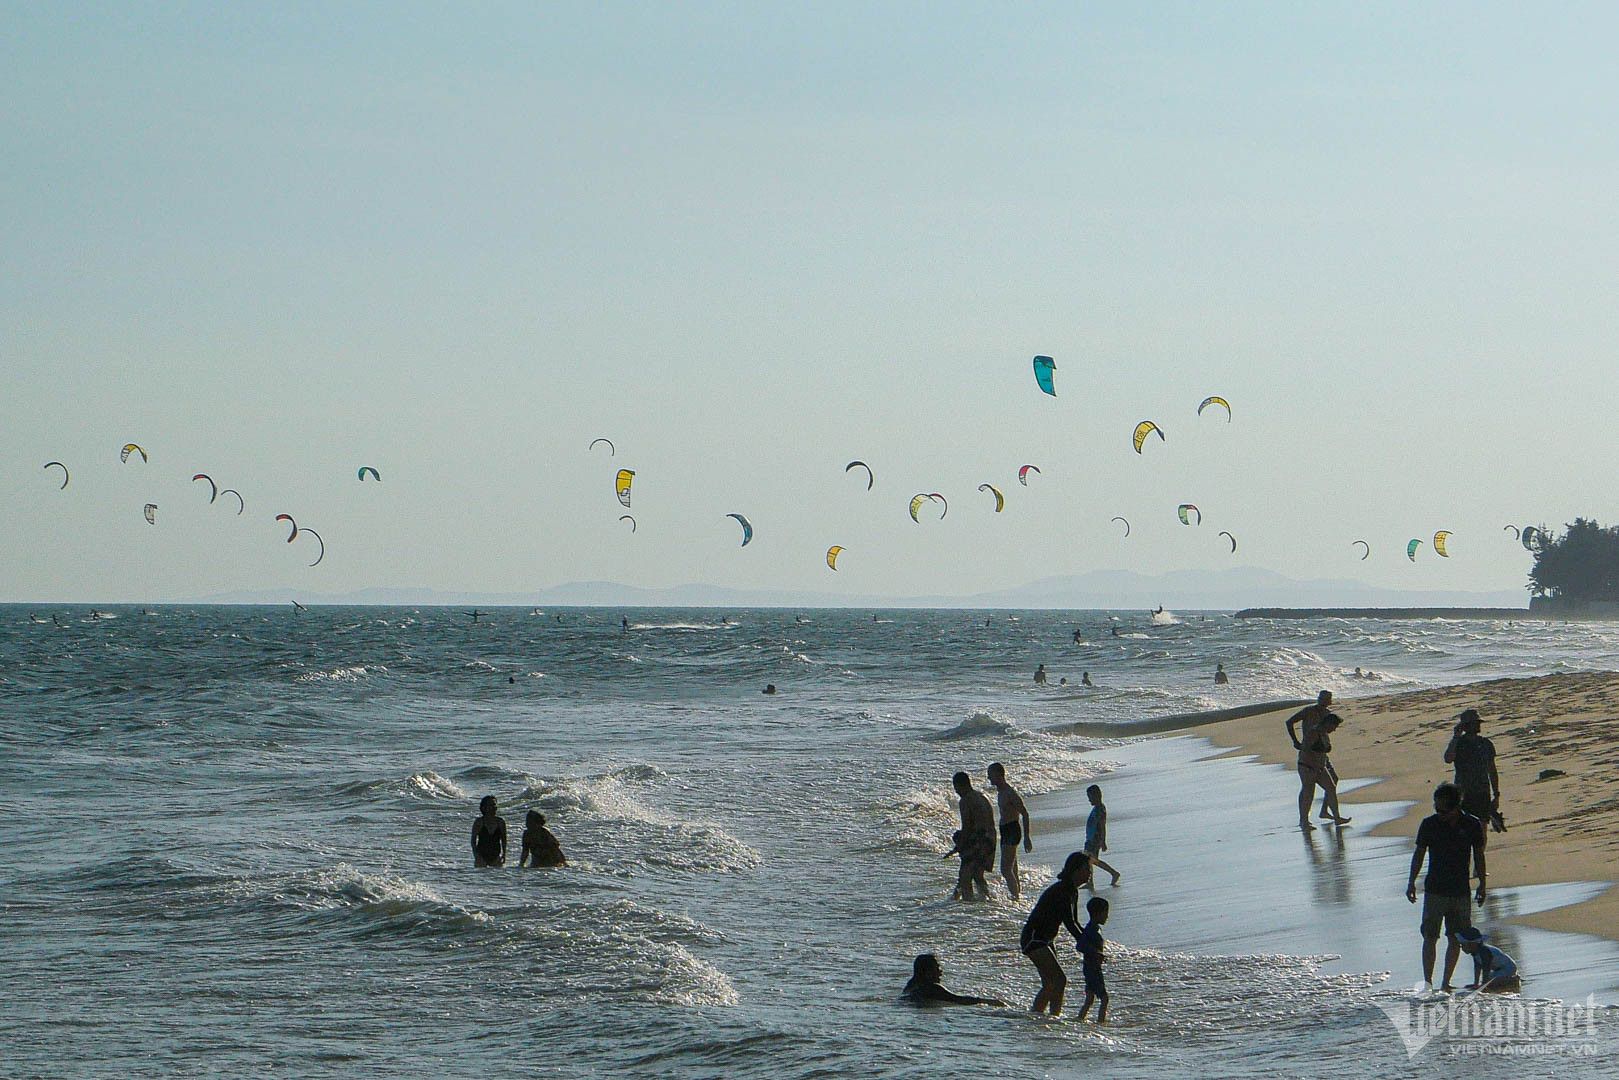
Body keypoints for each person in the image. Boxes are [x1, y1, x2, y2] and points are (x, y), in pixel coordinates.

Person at [1406, 782, 1488, 991]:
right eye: (1436, 809)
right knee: (1430, 937)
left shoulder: (1471, 824)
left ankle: (1445, 983)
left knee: (1456, 938)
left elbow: (1479, 855)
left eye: (1443, 810)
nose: (1439, 813)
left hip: (1461, 891)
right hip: (1434, 890)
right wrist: (1411, 882)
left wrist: (1482, 884)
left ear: (1456, 807)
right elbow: (1419, 854)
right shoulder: (1429, 824)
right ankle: (1428, 983)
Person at [1020, 852, 1092, 1014]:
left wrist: (1091, 942)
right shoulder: (1063, 890)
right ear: (1076, 870)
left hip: (1045, 939)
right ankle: (1044, 1016)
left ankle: (1048, 1018)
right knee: (1058, 980)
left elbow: (1075, 923)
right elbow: (1070, 924)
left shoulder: (1072, 890)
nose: (1090, 873)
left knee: (1051, 983)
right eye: (1087, 869)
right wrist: (1088, 948)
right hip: (1034, 938)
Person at [1286, 692, 1350, 829]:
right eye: (1333, 727)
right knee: (1308, 791)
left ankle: (1335, 816)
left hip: (1320, 765)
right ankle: (1304, 821)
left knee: (1331, 786)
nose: (1334, 730)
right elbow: (1291, 724)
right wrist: (1296, 741)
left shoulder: (1326, 720)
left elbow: (1324, 747)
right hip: (1307, 766)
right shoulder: (1310, 719)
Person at [1445, 709, 1503, 831]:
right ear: (1466, 726)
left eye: (1478, 723)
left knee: (1482, 828)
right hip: (1462, 792)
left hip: (1482, 791)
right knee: (1462, 828)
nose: (1477, 725)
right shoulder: (1458, 744)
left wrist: (1496, 794)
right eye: (1474, 723)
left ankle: (1480, 850)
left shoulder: (1486, 744)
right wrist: (1455, 737)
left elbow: (1492, 770)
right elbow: (1448, 759)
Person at [988, 762, 1033, 900]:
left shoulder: (1009, 793)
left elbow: (1025, 813)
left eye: (990, 775)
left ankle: (1015, 897)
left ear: (998, 775)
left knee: (1005, 869)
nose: (988, 778)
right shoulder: (1000, 791)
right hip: (1005, 830)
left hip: (1013, 830)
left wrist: (1027, 837)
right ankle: (1017, 895)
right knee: (1013, 868)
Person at [952, 772, 997, 900]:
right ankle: (987, 899)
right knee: (977, 874)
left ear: (960, 786)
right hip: (990, 838)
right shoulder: (981, 796)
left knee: (965, 876)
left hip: (979, 840)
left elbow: (967, 827)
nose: (957, 792)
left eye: (956, 789)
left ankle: (968, 904)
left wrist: (959, 845)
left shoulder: (966, 800)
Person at [901, 953, 1006, 1006]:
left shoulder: (910, 986)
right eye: (937, 969)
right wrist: (987, 1002)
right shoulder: (932, 988)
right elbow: (958, 1000)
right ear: (928, 973)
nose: (940, 972)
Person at [1075, 897, 1110, 1023]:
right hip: (1092, 969)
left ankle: (1079, 1020)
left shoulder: (1095, 928)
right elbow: (1080, 946)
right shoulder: (1090, 930)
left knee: (1089, 999)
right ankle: (1101, 1023)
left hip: (1091, 967)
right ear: (1097, 914)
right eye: (1105, 913)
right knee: (1104, 998)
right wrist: (1096, 953)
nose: (1107, 916)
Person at [1455, 927, 1520, 993]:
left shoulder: (1484, 951)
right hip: (1499, 969)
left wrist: (1483, 985)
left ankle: (1512, 980)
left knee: (1489, 982)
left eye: (1463, 945)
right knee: (1489, 979)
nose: (1462, 948)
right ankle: (1507, 979)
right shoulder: (1475, 952)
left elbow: (1486, 968)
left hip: (1508, 968)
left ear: (1472, 944)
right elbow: (1477, 967)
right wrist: (1476, 983)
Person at [1083, 784, 1121, 886]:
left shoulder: (1100, 809)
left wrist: (1103, 840)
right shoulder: (1097, 808)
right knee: (1089, 860)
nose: (1089, 800)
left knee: (1091, 860)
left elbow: (1102, 825)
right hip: (1091, 838)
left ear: (1097, 796)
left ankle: (1113, 873)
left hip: (1095, 838)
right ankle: (1090, 881)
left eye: (1090, 798)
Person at [471, 796, 507, 867]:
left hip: (496, 856)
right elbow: (473, 841)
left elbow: (504, 840)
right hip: (481, 856)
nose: (494, 807)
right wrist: (476, 856)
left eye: (495, 805)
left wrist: (504, 855)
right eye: (491, 805)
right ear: (484, 808)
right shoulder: (479, 822)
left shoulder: (500, 822)